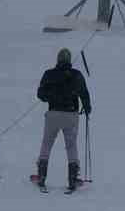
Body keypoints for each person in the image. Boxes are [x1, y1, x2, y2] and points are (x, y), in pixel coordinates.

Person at [35, 48, 91, 191]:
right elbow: (84, 93)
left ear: (58, 59)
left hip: (53, 114)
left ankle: (41, 175)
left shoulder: (49, 74)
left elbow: (40, 94)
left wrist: (51, 96)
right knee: (71, 145)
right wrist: (87, 108)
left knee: (46, 143)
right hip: (71, 114)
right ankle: (73, 179)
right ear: (69, 60)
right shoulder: (76, 75)